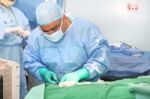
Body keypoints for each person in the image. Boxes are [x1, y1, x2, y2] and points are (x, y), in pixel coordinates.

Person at [23, 1, 109, 84]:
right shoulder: (36, 36)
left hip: (84, 85)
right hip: (53, 87)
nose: (50, 33)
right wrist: (42, 72)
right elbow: (30, 60)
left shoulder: (86, 30)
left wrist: (81, 74)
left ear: (63, 18)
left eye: (54, 28)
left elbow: (101, 58)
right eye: (45, 31)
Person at [0, 0, 30, 98]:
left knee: (20, 83)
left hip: (18, 52)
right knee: (5, 86)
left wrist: (27, 33)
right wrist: (5, 31)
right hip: (2, 53)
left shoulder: (18, 12)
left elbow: (27, 29)